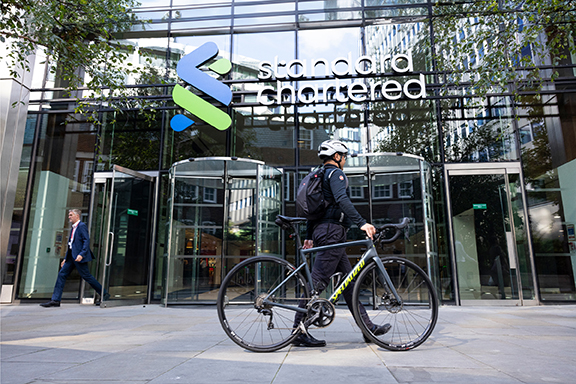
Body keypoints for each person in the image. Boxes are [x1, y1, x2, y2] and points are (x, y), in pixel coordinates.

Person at [292, 139, 391, 347]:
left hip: (324, 231)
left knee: (349, 283)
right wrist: (362, 223)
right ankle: (297, 331)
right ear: (337, 156)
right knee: (318, 281)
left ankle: (368, 329)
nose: (344, 160)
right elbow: (342, 200)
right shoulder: (335, 174)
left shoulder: (319, 175)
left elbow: (315, 213)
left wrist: (310, 235)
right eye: (343, 157)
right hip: (332, 233)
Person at [40, 209, 108, 307]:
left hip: (79, 256)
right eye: (69, 215)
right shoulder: (73, 228)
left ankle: (104, 293)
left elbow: (86, 241)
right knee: (61, 274)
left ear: (77, 216)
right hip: (71, 257)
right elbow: (71, 245)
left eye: (71, 215)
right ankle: (55, 300)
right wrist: (65, 259)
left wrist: (82, 254)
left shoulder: (81, 226)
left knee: (86, 276)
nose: (69, 217)